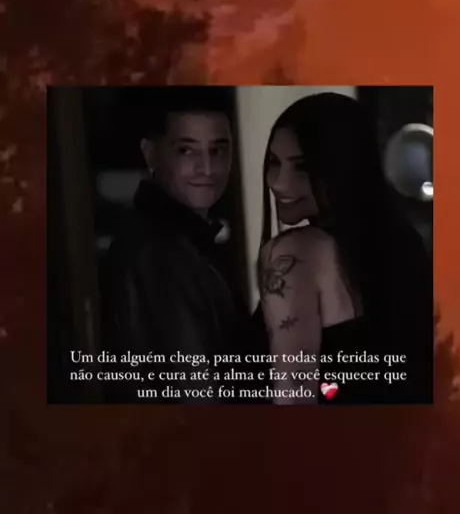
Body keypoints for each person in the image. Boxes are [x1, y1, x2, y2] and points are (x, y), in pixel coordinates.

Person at [255, 92, 433, 404]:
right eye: (273, 163)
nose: (279, 183)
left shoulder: (295, 252)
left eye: (302, 167)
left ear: (345, 166)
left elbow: (293, 400)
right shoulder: (404, 244)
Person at [105, 93, 252, 402]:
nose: (207, 167)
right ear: (150, 154)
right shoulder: (157, 251)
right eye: (186, 150)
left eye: (218, 150)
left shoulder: (185, 241)